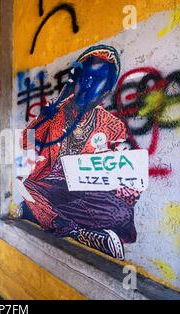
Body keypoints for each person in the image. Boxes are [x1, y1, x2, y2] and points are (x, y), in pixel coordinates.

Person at [18, 45, 140, 260]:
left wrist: (128, 189)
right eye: (85, 78)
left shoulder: (113, 125)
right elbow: (26, 142)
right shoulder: (55, 114)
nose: (87, 85)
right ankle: (77, 231)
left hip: (86, 195)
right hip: (51, 187)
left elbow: (126, 171)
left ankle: (44, 215)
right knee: (24, 188)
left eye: (96, 81)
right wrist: (46, 116)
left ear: (104, 92)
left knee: (120, 214)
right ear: (75, 82)